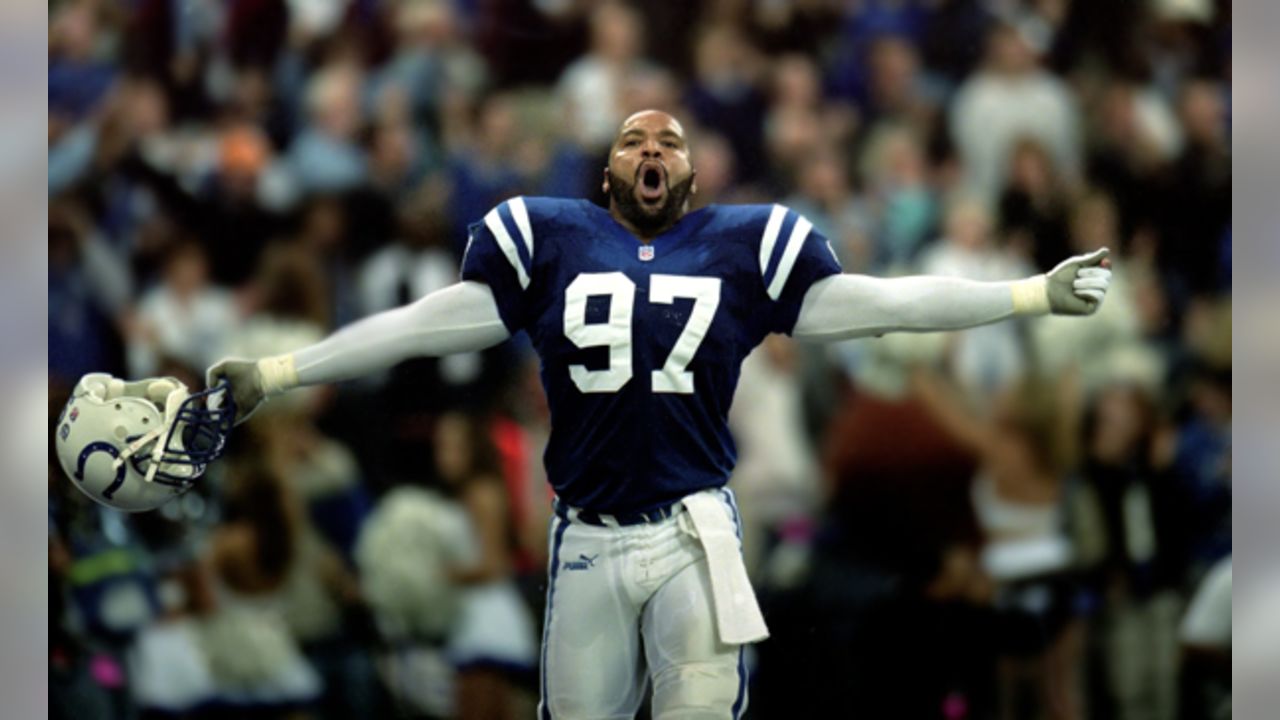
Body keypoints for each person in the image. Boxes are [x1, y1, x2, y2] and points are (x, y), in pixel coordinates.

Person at [209, 109, 1112, 719]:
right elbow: (421, 328)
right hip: (589, 537)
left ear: (691, 169)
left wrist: (1029, 294)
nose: (653, 149)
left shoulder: (742, 244)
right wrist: (285, 370)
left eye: (670, 142)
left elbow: (885, 303)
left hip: (693, 531)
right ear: (607, 170)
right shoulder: (550, 237)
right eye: (635, 139)